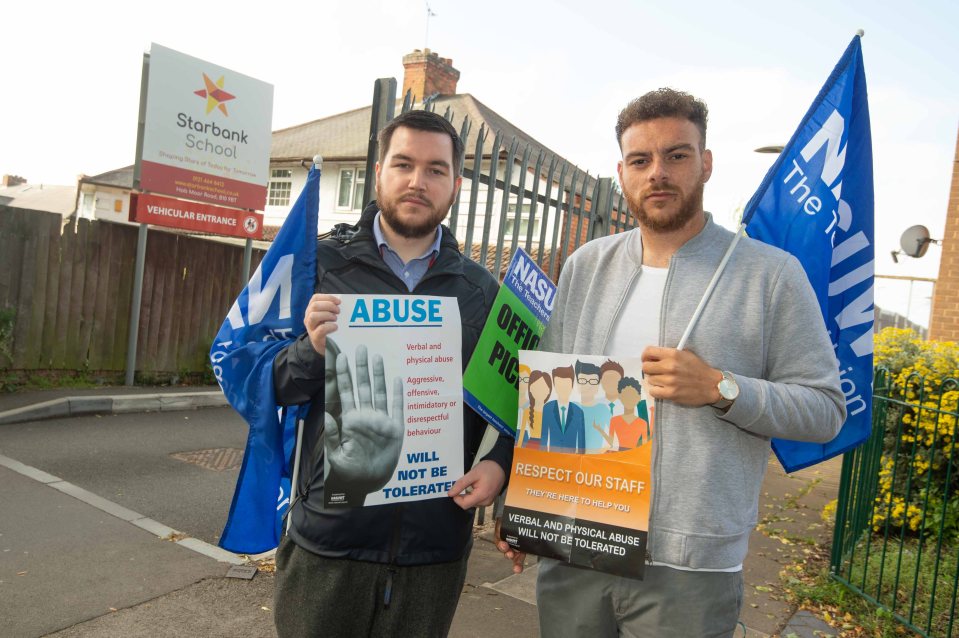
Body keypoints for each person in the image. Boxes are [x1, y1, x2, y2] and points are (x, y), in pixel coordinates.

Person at [497, 88, 845, 637]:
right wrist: (525, 511)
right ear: (622, 172)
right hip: (578, 545)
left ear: (705, 163)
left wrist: (720, 388)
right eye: (641, 160)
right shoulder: (587, 266)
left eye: (676, 155)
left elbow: (825, 410)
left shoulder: (770, 275)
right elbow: (545, 400)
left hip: (691, 570)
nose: (657, 172)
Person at [272, 109, 514, 638]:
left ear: (455, 185)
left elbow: (521, 408)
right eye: (403, 164)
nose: (417, 181)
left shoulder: (483, 293)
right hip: (328, 545)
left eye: (435, 169)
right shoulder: (317, 264)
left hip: (434, 553)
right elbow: (268, 388)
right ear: (379, 171)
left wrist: (499, 466)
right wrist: (310, 351)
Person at [541, 365, 586, 453]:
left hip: (571, 459)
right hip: (552, 457)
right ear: (554, 385)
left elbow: (581, 444)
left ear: (572, 385)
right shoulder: (547, 408)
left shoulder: (578, 412)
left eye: (566, 385)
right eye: (559, 385)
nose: (563, 389)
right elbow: (544, 437)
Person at [574, 359, 612, 452]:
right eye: (583, 380)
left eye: (593, 381)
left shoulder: (603, 409)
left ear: (598, 385)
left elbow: (612, 441)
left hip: (594, 459)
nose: (588, 385)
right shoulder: (572, 407)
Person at [518, 369, 552, 449]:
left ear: (548, 391)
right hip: (531, 446)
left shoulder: (549, 413)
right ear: (530, 389)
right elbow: (521, 434)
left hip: (544, 447)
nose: (539, 391)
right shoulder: (527, 411)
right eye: (536, 387)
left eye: (543, 388)